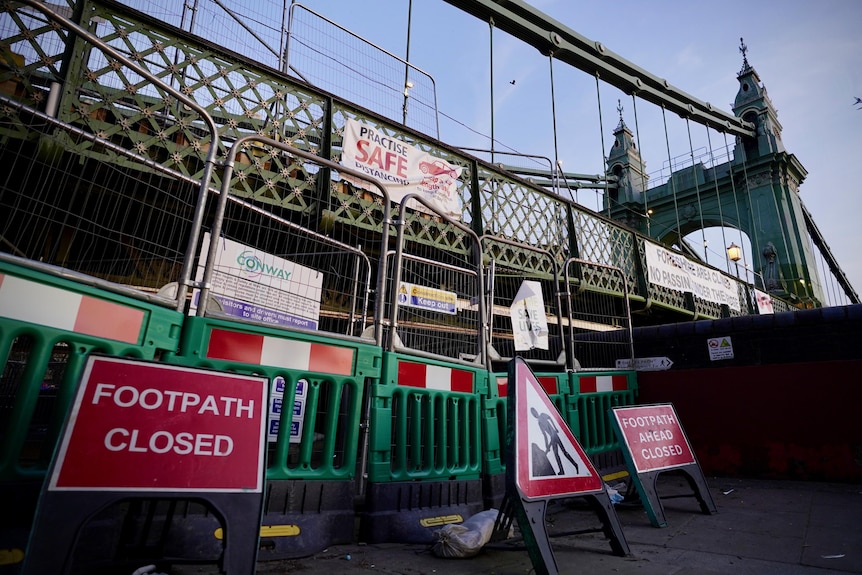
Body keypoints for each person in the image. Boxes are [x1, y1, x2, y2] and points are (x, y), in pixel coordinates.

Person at [530, 407, 579, 475]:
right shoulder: (539, 423)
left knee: (563, 452)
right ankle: (563, 470)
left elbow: (550, 418)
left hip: (554, 435)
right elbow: (545, 435)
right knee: (557, 454)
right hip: (552, 437)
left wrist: (555, 428)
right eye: (533, 414)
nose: (535, 414)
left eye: (534, 412)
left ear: (536, 412)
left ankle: (574, 465)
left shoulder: (542, 415)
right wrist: (547, 445)